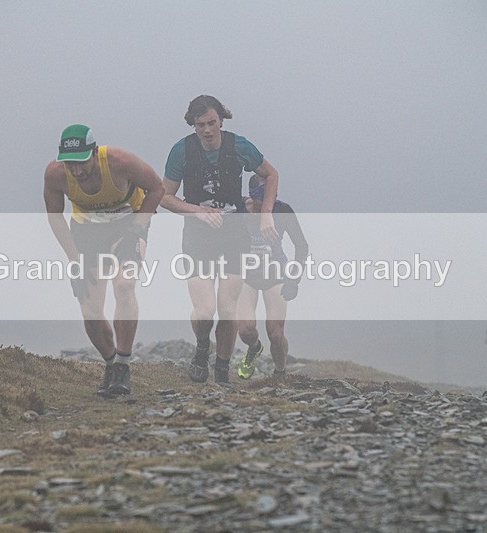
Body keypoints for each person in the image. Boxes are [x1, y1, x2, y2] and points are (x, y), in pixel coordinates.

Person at [161, 95, 279, 384]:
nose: (207, 130)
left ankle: (222, 371)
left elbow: (271, 174)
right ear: (194, 125)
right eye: (200, 125)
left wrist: (266, 214)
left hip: (234, 233)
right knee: (205, 311)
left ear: (221, 121)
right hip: (198, 234)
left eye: (212, 123)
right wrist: (197, 211)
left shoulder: (239, 146)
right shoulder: (181, 151)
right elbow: (163, 196)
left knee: (228, 309)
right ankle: (202, 348)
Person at [44, 124, 163, 397]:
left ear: (94, 152)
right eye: (70, 164)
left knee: (124, 285)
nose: (77, 171)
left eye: (82, 162)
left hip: (127, 224)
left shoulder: (120, 161)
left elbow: (156, 188)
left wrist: (139, 227)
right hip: (87, 231)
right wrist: (74, 260)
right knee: (90, 309)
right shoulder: (55, 174)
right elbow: (54, 217)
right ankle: (110, 363)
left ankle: (123, 365)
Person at [236, 174, 308, 381]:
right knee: (246, 329)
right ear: (251, 196)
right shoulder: (239, 208)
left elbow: (301, 245)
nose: (266, 203)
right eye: (261, 198)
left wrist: (294, 279)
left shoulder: (283, 210)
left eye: (271, 197)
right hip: (246, 276)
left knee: (275, 333)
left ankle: (280, 373)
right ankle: (254, 348)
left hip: (275, 274)